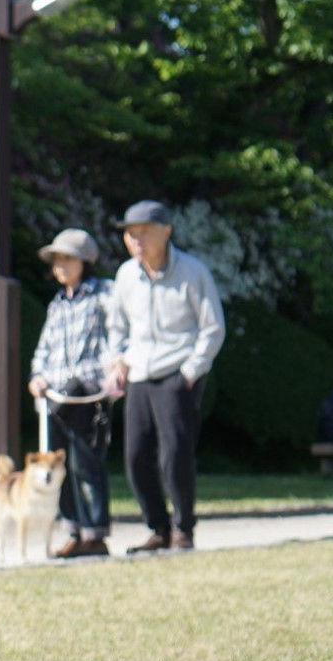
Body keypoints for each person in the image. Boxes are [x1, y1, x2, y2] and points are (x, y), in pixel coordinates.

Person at [104, 200, 226, 554]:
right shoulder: (126, 274)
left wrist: (190, 371)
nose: (135, 239)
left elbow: (213, 327)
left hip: (178, 373)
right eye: (130, 233)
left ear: (166, 230)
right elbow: (117, 325)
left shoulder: (192, 271)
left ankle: (183, 528)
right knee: (136, 456)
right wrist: (119, 360)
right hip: (140, 372)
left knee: (175, 454)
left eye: (144, 231)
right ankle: (157, 527)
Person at [27, 227, 114, 558]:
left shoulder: (104, 294)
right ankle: (74, 532)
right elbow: (43, 348)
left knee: (86, 464)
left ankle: (96, 534)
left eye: (66, 258)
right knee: (61, 467)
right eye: (56, 259)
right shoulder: (57, 304)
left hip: (89, 395)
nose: (59, 265)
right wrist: (37, 376)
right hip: (56, 398)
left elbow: (118, 335)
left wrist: (111, 372)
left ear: (84, 261)